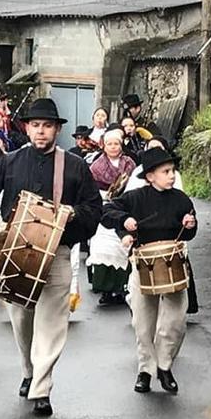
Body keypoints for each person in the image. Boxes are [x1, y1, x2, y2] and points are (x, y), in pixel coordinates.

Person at [0, 98, 102, 417]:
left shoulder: (75, 166)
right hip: (15, 254)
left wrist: (72, 215)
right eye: (35, 125)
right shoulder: (8, 162)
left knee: (52, 324)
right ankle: (29, 369)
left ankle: (42, 387)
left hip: (57, 253)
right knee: (22, 322)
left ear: (57, 129)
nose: (41, 132)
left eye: (47, 126)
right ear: (26, 128)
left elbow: (94, 209)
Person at [101, 147, 197, 394]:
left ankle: (164, 366)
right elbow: (108, 211)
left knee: (176, 321)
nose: (172, 176)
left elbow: (189, 232)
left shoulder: (180, 199)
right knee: (143, 323)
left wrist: (189, 224)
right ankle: (146, 370)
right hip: (143, 263)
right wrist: (125, 223)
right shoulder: (135, 198)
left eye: (173, 171)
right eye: (166, 171)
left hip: (173, 263)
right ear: (150, 176)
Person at [86, 129, 136, 305]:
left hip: (124, 206)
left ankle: (121, 288)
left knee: (122, 247)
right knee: (104, 247)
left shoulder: (129, 163)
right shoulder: (96, 166)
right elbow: (90, 189)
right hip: (104, 207)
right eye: (110, 144)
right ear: (104, 146)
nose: (113, 147)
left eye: (116, 143)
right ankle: (105, 289)